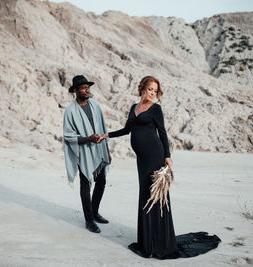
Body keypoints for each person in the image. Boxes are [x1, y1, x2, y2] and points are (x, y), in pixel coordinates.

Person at [103, 76, 221, 259]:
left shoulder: (156, 109)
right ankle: (147, 241)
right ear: (142, 88)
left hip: (155, 157)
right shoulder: (133, 108)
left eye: (155, 91)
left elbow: (163, 133)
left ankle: (158, 242)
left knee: (156, 196)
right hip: (141, 160)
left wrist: (167, 156)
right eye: (150, 89)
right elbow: (127, 130)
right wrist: (106, 135)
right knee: (145, 195)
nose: (152, 93)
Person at [63, 75, 111, 234]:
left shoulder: (95, 105)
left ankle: (95, 212)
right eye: (83, 88)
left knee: (102, 181)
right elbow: (68, 135)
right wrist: (87, 139)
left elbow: (103, 128)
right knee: (85, 185)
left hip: (99, 149)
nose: (87, 90)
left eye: (88, 87)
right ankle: (89, 220)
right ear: (75, 90)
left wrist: (107, 150)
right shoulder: (70, 111)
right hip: (83, 151)